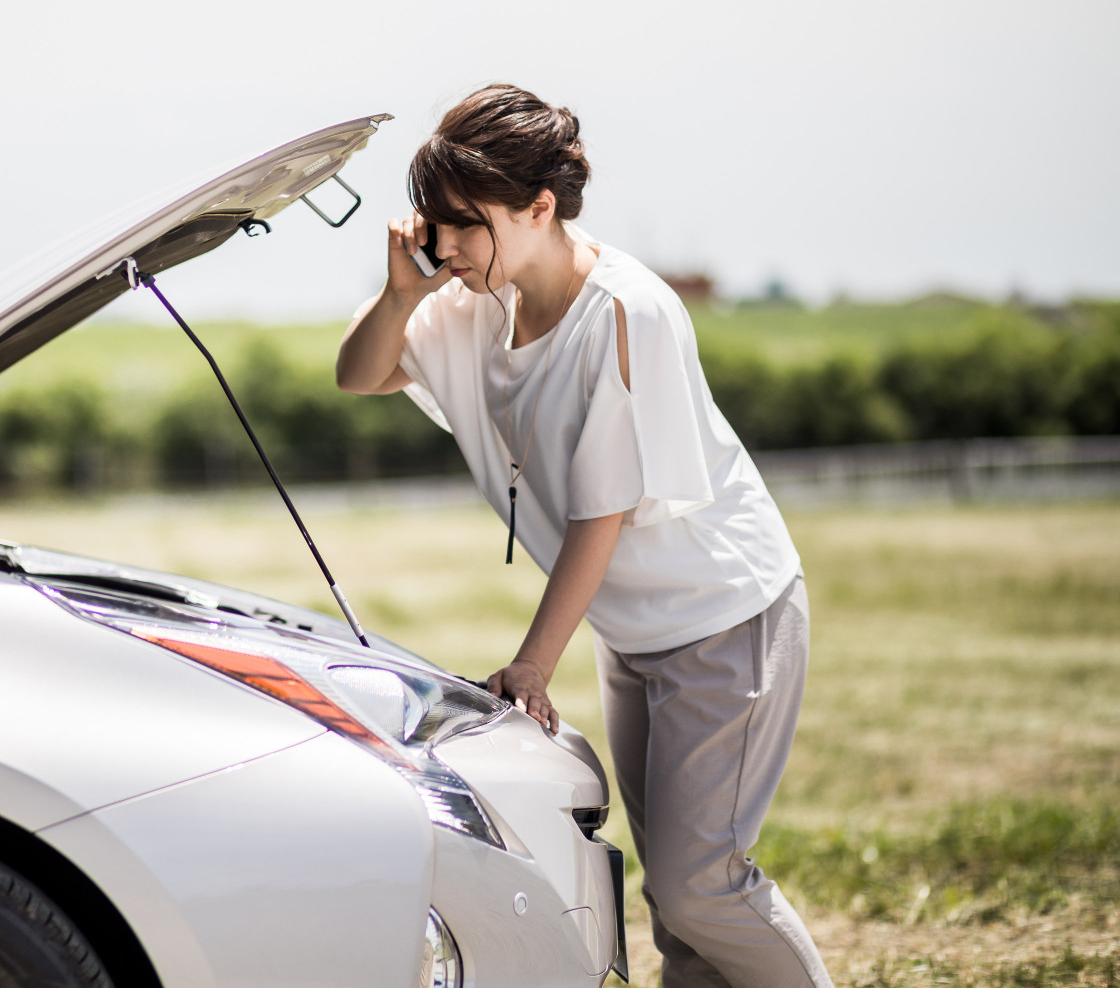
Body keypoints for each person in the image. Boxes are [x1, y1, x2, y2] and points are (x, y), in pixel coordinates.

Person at [336, 84, 832, 988]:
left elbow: (602, 515)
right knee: (678, 912)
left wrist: (531, 665)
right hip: (633, 630)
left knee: (700, 888)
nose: (443, 244)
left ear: (539, 208)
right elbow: (359, 373)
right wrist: (399, 291)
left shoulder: (624, 313)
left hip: (721, 615)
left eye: (463, 222)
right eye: (433, 221)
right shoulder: (466, 300)